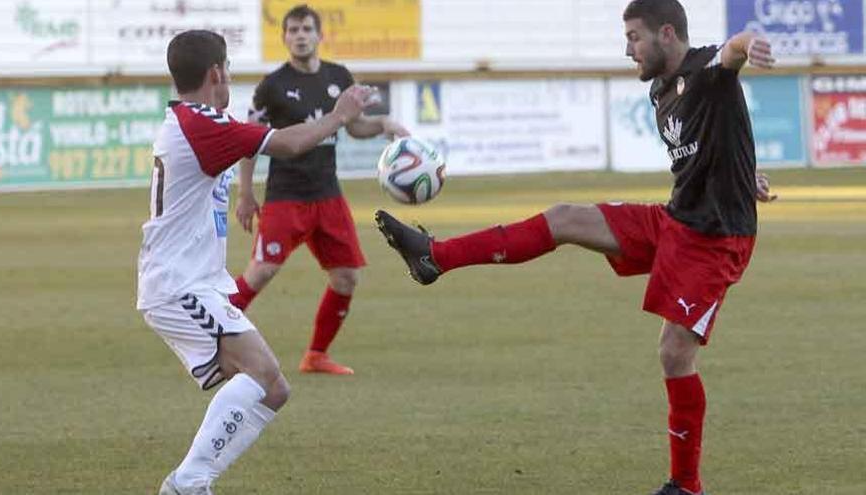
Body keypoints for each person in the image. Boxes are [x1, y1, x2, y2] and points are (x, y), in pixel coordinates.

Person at [375, 1, 777, 494]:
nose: (627, 48)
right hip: (675, 221)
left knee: (674, 353)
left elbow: (732, 53)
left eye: (633, 36)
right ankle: (434, 256)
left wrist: (749, 40)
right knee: (565, 217)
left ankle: (686, 485)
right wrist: (744, 172)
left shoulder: (705, 69)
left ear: (666, 33)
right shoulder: (659, 92)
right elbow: (720, 139)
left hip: (716, 239)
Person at [136, 29, 374, 494]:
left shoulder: (191, 120)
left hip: (194, 282)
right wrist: (339, 115)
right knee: (263, 378)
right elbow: (288, 143)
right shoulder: (200, 123)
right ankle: (188, 483)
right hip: (178, 285)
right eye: (228, 69)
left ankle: (190, 483)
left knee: (274, 387)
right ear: (216, 73)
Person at [229, 4, 409, 376]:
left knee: (346, 277)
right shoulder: (272, 86)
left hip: (328, 194)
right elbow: (249, 142)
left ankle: (316, 355)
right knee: (260, 272)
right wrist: (245, 194)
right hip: (285, 196)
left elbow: (354, 126)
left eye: (306, 29)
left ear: (319, 34)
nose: (299, 35)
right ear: (284, 38)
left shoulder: (339, 76)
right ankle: (208, 337)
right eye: (292, 30)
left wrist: (386, 124)